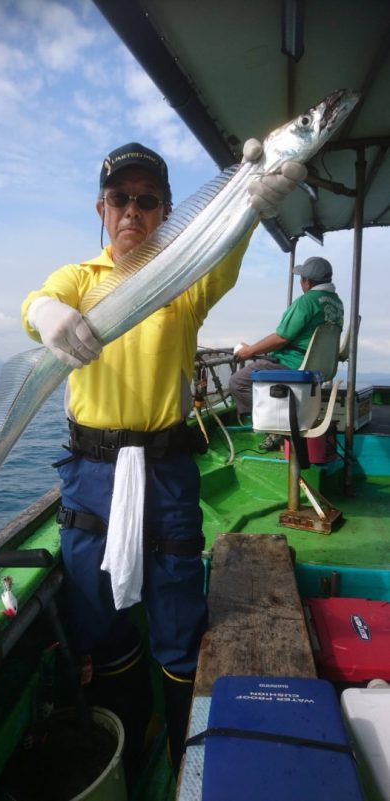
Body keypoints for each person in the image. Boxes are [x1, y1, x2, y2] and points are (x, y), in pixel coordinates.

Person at [21, 141, 306, 779]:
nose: (132, 211)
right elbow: (36, 302)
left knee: (179, 614)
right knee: (100, 619)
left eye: (148, 201)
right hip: (90, 477)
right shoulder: (80, 280)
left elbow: (224, 259)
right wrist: (46, 313)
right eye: (121, 198)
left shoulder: (183, 281)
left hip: (166, 470)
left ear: (166, 212)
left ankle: (186, 761)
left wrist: (252, 209)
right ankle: (130, 730)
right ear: (101, 207)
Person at [229, 256, 344, 450]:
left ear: (307, 282)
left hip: (293, 364)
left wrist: (249, 351)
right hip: (318, 368)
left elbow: (281, 338)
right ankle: (282, 420)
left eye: (302, 279)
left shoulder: (307, 301)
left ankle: (277, 426)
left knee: (238, 382)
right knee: (261, 363)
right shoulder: (336, 303)